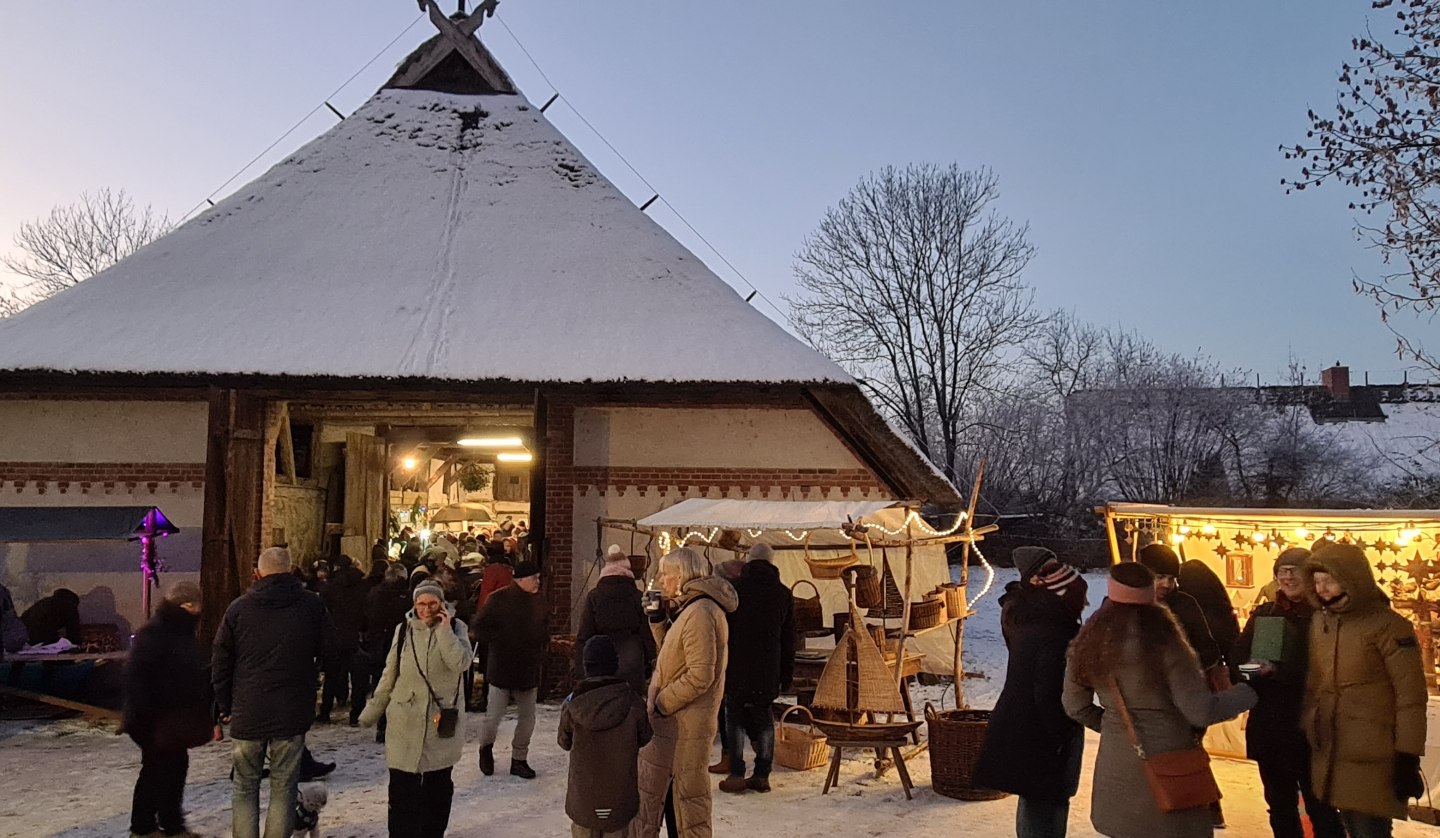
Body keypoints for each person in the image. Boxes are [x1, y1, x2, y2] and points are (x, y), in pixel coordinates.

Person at [1063, 562, 1256, 838]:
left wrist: (1117, 727)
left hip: (1116, 771)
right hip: (1172, 769)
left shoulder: (1088, 642)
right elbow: (1200, 711)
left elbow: (1075, 706)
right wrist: (1248, 692)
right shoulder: (1167, 644)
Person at [1303, 543, 1427, 838]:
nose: (1322, 589)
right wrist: (1310, 725)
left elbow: (1410, 696)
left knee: (1369, 830)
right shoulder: (1322, 621)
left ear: (1351, 578)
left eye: (1329, 580)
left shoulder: (1388, 626)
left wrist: (1407, 755)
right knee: (1348, 826)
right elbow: (1317, 683)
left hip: (1374, 752)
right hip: (1333, 749)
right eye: (1317, 582)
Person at [212, 547, 329, 838]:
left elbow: (221, 660)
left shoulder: (239, 609)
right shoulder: (311, 606)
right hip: (291, 711)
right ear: (291, 571)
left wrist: (224, 705)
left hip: (248, 709)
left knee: (244, 786)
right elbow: (331, 649)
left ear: (258, 573)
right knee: (284, 787)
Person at [974, 546, 1089, 838]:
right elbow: (1048, 691)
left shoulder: (1026, 616)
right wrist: (1060, 736)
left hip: (1024, 725)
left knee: (1034, 799)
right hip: (1041, 732)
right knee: (1046, 804)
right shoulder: (1054, 630)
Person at [1232, 548, 1344, 838]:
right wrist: (1255, 670)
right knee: (1280, 806)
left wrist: (1279, 672)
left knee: (1322, 807)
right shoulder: (1265, 613)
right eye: (1283, 570)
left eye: (1295, 570)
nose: (1288, 576)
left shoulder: (1327, 616)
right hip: (1270, 726)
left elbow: (1332, 673)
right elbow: (1238, 664)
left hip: (1312, 728)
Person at [632, 547, 738, 838]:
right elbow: (673, 654)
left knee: (685, 801)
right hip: (677, 724)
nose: (661, 580)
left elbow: (700, 675)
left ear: (681, 576)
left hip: (685, 724)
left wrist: (662, 703)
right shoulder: (690, 608)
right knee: (671, 797)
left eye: (666, 574)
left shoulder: (701, 612)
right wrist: (656, 619)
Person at [358, 580, 471, 838]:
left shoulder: (456, 628)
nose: (426, 609)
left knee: (437, 787)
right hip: (404, 720)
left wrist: (444, 631)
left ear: (442, 605)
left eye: (432, 603)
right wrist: (373, 710)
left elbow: (460, 663)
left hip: (439, 721)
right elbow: (390, 674)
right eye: (421, 604)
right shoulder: (403, 630)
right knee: (401, 789)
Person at [123, 582, 215, 838]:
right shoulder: (157, 634)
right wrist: (146, 721)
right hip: (155, 721)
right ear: (186, 605)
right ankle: (143, 828)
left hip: (170, 720)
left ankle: (170, 824)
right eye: (195, 605)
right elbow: (138, 680)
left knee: (174, 769)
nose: (198, 611)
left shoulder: (177, 632)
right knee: (155, 771)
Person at [718, 542, 794, 795]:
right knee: (763, 720)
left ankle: (737, 773)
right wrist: (786, 675)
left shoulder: (735, 589)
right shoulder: (782, 593)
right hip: (768, 665)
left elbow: (723, 630)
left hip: (737, 663)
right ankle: (762, 774)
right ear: (772, 563)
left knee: (735, 718)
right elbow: (789, 638)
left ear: (749, 561)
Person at [560, 635, 653, 838]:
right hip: (620, 800)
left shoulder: (573, 704)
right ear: (615, 665)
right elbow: (645, 736)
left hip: (583, 801)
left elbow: (564, 742)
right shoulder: (632, 701)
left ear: (586, 666)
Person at [473, 559, 548, 779]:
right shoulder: (498, 600)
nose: (538, 581)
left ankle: (519, 759)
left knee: (527, 717)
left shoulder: (539, 602)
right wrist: (499, 641)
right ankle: (485, 748)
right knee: (493, 716)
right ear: (522, 580)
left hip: (527, 667)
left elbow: (544, 630)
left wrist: (541, 650)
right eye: (535, 577)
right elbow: (480, 627)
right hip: (502, 667)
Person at [575, 545, 655, 695]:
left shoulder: (594, 596)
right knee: (630, 706)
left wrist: (581, 668)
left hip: (601, 657)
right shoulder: (640, 596)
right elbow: (646, 634)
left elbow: (584, 633)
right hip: (632, 657)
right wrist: (649, 664)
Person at [365, 563, 413, 744]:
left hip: (378, 644)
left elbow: (367, 617)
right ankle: (396, 726)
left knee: (381, 684)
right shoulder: (406, 596)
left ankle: (382, 726)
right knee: (401, 685)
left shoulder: (374, 593)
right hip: (399, 646)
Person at [319, 555, 369, 725]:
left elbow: (323, 612)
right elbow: (367, 610)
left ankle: (326, 711)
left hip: (335, 636)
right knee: (358, 679)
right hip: (356, 636)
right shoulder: (363, 586)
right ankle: (356, 714)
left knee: (332, 675)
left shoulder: (330, 588)